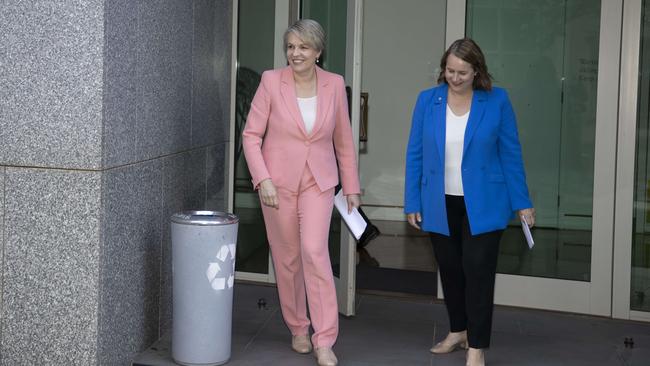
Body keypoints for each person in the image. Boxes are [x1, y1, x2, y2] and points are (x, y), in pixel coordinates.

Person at [403, 38, 535, 366]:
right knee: (449, 270)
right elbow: (415, 153)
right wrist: (412, 201)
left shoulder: (497, 101)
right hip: (438, 200)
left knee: (477, 272)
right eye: (449, 70)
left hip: (485, 202)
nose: (455, 77)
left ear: (477, 71)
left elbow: (511, 153)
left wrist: (523, 202)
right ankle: (458, 330)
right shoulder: (427, 101)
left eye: (462, 72)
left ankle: (476, 345)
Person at [242, 19, 361, 366]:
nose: (295, 53)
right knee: (288, 259)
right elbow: (251, 136)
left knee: (314, 251)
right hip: (276, 185)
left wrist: (351, 186)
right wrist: (262, 179)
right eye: (291, 46)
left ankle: (325, 339)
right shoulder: (270, 81)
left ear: (318, 52)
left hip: (318, 182)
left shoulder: (334, 85)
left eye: (303, 47)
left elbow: (343, 140)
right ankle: (298, 326)